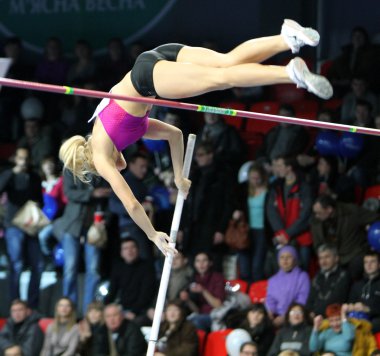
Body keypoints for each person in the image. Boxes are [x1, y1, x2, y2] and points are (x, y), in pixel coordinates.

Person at [59, 19, 333, 259]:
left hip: (147, 77)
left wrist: (153, 234)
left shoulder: (100, 155)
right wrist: (179, 176)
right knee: (226, 63)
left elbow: (131, 203)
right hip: (153, 59)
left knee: (221, 79)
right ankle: (286, 37)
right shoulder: (129, 132)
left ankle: (288, 73)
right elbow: (174, 134)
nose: (121, 168)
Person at [52, 169, 111, 314]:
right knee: (70, 269)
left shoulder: (103, 170)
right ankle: (67, 312)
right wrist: (92, 193)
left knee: (93, 270)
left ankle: (89, 313)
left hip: (94, 226)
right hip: (72, 225)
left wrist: (105, 222)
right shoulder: (71, 169)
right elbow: (68, 193)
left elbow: (109, 199)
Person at [0, 147, 43, 308]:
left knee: (38, 264)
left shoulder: (34, 176)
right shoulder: (8, 175)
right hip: (13, 225)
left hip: (30, 223)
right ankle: (15, 305)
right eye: (20, 158)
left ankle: (32, 305)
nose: (23, 162)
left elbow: (40, 200)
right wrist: (13, 171)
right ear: (15, 159)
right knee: (16, 264)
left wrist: (36, 207)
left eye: (25, 159)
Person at [311, 194, 379, 279]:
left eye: (319, 213)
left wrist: (369, 230)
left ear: (329, 209)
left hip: (353, 253)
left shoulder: (351, 212)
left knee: (353, 269)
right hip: (332, 256)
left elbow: (375, 218)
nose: (316, 216)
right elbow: (317, 244)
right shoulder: (316, 221)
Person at [267, 155, 313, 270]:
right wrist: (282, 233)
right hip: (282, 237)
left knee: (302, 271)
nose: (277, 169)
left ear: (289, 167)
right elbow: (271, 211)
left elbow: (306, 215)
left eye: (280, 165)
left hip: (301, 238)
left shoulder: (304, 187)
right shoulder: (275, 187)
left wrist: (288, 233)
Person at [104, 238, 156, 325]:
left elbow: (146, 294)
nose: (129, 251)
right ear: (121, 253)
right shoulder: (118, 268)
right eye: (126, 248)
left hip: (142, 310)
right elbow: (112, 291)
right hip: (122, 308)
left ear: (138, 250)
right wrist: (105, 307)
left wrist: (134, 311)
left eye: (132, 247)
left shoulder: (147, 267)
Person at [233, 163, 268, 282]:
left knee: (257, 265)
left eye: (257, 178)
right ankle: (246, 290)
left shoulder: (268, 191)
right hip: (247, 230)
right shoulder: (244, 190)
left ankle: (256, 292)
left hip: (263, 230)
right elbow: (237, 205)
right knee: (244, 264)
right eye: (252, 178)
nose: (255, 181)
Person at [265, 245, 310, 328]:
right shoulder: (272, 280)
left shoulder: (302, 277)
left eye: (289, 257)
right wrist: (270, 312)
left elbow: (302, 300)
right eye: (282, 257)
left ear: (295, 259)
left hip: (295, 316)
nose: (285, 260)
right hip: (276, 317)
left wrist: (286, 317)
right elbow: (270, 299)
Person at [180, 251, 225, 331]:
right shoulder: (193, 278)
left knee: (195, 322)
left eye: (204, 260)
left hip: (215, 315)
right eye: (198, 261)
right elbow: (196, 310)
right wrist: (187, 300)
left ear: (210, 263)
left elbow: (218, 305)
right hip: (199, 315)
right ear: (194, 264)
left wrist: (203, 291)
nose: (201, 264)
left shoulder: (218, 278)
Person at [306, 244, 351, 318]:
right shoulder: (317, 277)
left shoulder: (343, 275)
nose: (323, 261)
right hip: (316, 318)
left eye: (327, 257)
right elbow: (310, 300)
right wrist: (309, 313)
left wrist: (316, 313)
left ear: (336, 258)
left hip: (334, 318)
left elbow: (337, 299)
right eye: (321, 258)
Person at [348, 250, 380, 333]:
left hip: (375, 319)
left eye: (372, 262)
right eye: (366, 262)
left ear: (379, 264)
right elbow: (351, 302)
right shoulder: (357, 284)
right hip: (357, 316)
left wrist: (368, 309)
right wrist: (351, 307)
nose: (368, 265)